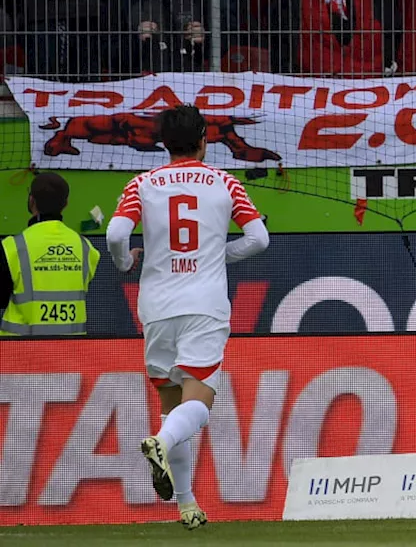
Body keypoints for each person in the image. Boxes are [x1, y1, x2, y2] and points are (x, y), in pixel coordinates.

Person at [105, 105, 270, 530]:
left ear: (164, 143)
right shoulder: (225, 182)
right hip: (204, 304)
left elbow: (116, 234)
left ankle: (186, 504)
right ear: (204, 140)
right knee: (198, 403)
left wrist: (125, 264)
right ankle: (159, 444)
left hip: (156, 307)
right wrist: (221, 255)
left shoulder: (141, 184)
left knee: (171, 404)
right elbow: (258, 238)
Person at [1, 173, 99, 337]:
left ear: (31, 200)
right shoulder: (86, 248)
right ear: (65, 204)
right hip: (71, 351)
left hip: (19, 351)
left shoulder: (11, 247)